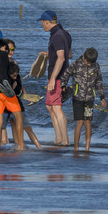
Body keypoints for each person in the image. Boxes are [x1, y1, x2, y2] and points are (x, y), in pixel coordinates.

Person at [38, 10, 72, 146]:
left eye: (42, 23)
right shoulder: (65, 34)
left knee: (56, 107)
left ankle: (64, 140)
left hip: (57, 76)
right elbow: (69, 55)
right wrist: (49, 53)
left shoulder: (56, 36)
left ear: (47, 22)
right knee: (49, 105)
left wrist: (52, 79)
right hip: (61, 74)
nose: (42, 26)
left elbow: (62, 58)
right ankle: (58, 138)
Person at [4, 40, 41, 149]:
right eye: (8, 49)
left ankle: (39, 148)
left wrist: (26, 95)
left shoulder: (15, 62)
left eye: (12, 49)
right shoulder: (1, 63)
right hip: (5, 98)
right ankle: (17, 146)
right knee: (12, 123)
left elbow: (19, 80)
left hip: (16, 98)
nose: (11, 52)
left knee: (26, 126)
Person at [69, 47, 106, 152]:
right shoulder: (76, 64)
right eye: (88, 62)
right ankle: (76, 148)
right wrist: (62, 86)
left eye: (92, 63)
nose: (89, 64)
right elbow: (66, 74)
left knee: (88, 122)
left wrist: (102, 97)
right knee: (79, 122)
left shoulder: (96, 66)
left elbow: (99, 82)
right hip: (77, 98)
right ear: (84, 57)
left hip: (90, 98)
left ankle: (87, 148)